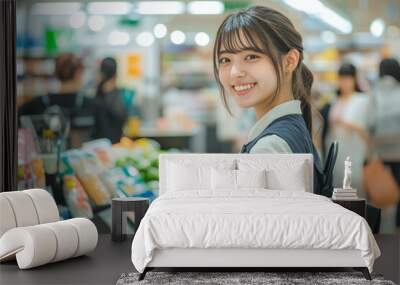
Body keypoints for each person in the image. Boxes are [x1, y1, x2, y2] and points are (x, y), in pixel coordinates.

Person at [213, 6, 326, 196]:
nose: (234, 72)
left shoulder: (269, 147)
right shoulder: (291, 127)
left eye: (251, 57)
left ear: (289, 61)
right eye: (225, 60)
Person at [370, 58, 400, 233]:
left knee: (379, 190)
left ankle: (379, 229)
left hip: (380, 152)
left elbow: (371, 121)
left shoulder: (374, 92)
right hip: (399, 151)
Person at [93, 57, 128, 143]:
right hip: (114, 141)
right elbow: (122, 117)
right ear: (115, 73)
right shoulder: (115, 94)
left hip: (98, 142)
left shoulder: (98, 92)